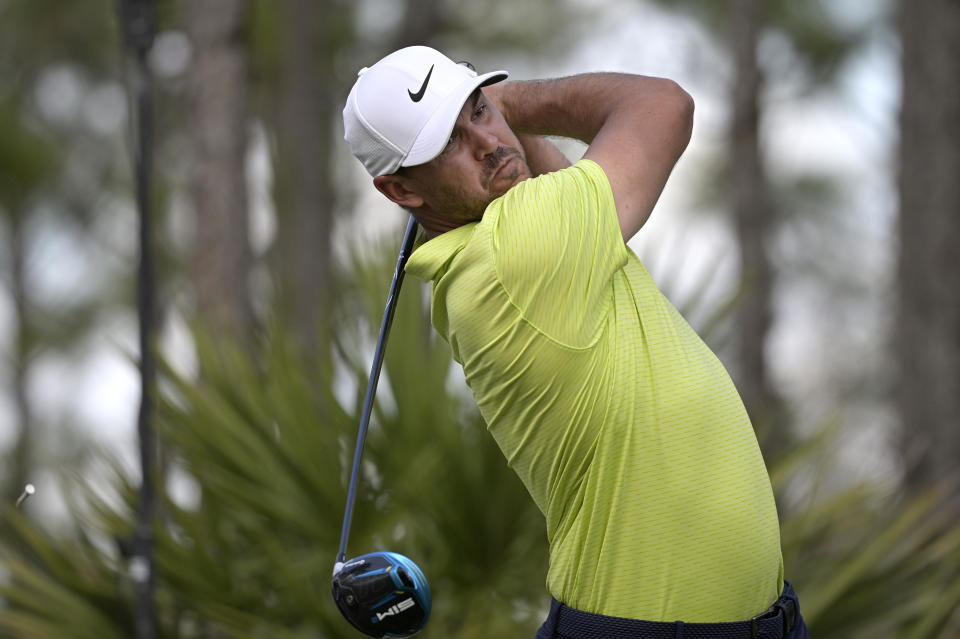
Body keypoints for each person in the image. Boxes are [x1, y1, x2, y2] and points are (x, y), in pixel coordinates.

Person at [342, 45, 811, 639]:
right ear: (402, 192)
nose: (487, 143)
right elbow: (663, 103)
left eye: (479, 111)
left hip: (749, 619)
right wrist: (512, 101)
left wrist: (488, 119)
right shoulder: (514, 254)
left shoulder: (535, 237)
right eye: (448, 144)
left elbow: (535, 169)